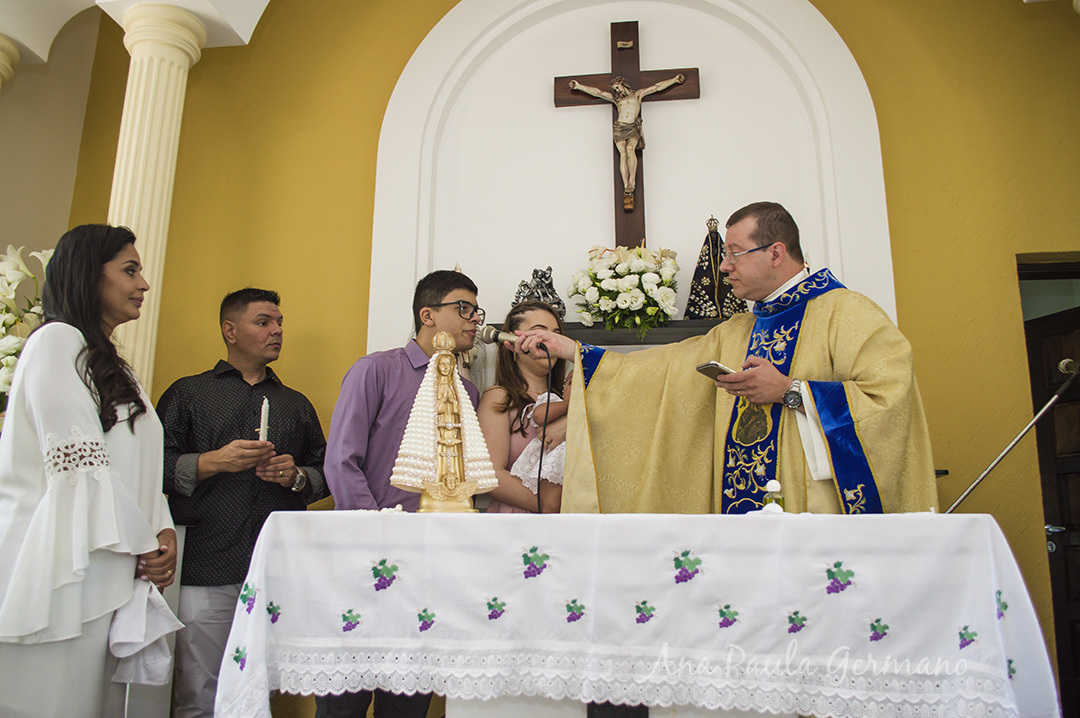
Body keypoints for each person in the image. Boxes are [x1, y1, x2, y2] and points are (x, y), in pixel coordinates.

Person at [514, 202, 939, 515]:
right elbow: (659, 372)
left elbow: (889, 398)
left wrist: (790, 391)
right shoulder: (737, 330)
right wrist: (571, 350)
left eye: (734, 253)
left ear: (775, 253)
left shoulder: (846, 313)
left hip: (814, 516)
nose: (723, 266)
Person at [0, 225, 177, 717]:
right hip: (61, 569)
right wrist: (143, 543)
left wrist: (161, 528)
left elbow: (133, 463)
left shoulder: (112, 364)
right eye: (129, 270)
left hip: (108, 561)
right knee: (54, 701)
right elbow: (79, 466)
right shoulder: (55, 341)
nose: (143, 284)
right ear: (87, 274)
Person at [320, 269, 484, 717]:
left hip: (429, 560)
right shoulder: (376, 370)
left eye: (476, 311)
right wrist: (377, 531)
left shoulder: (467, 392)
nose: (474, 320)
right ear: (427, 315)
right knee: (344, 700)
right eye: (463, 309)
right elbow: (341, 460)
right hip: (365, 552)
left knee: (408, 700)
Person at [158, 288, 327, 718]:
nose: (277, 331)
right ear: (230, 331)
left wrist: (296, 476)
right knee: (199, 690)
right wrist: (212, 462)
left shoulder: (296, 403)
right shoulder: (188, 394)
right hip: (204, 565)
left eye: (280, 322)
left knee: (257, 690)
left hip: (274, 569)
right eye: (263, 322)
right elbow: (151, 467)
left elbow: (325, 471)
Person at [477, 300, 568, 513]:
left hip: (565, 523)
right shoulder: (499, 397)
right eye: (539, 332)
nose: (550, 340)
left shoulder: (567, 402)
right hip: (515, 520)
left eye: (556, 334)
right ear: (512, 343)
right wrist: (551, 507)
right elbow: (490, 473)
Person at [569, 74, 685, 209]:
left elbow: (657, 87)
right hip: (620, 128)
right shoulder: (617, 99)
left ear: (623, 84)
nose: (617, 91)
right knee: (623, 153)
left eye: (617, 87)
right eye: (615, 89)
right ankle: (626, 185)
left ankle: (632, 181)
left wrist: (674, 80)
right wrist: (579, 86)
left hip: (632, 127)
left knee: (630, 149)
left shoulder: (637, 95)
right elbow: (597, 92)